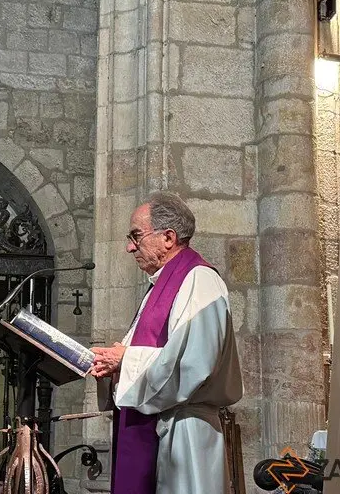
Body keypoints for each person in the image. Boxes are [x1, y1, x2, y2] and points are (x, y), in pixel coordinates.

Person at [91, 192, 244, 494]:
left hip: (184, 433)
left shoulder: (199, 280)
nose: (129, 247)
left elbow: (194, 361)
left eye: (136, 236)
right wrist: (114, 362)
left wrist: (125, 360)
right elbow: (151, 352)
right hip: (163, 425)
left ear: (168, 237)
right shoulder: (159, 286)